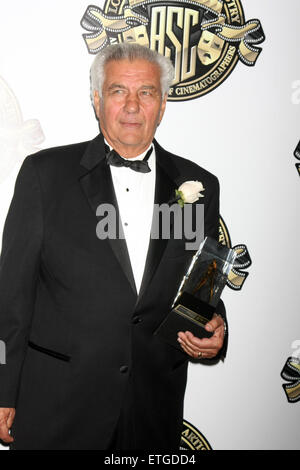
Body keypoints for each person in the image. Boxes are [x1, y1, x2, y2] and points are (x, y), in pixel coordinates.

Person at [0, 43, 227, 450]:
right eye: (119, 91)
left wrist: (214, 326)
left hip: (152, 410)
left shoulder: (197, 187)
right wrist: (1, 389)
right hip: (58, 408)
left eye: (147, 92)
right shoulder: (44, 176)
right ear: (96, 98)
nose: (133, 106)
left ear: (163, 103)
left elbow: (194, 282)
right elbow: (10, 297)